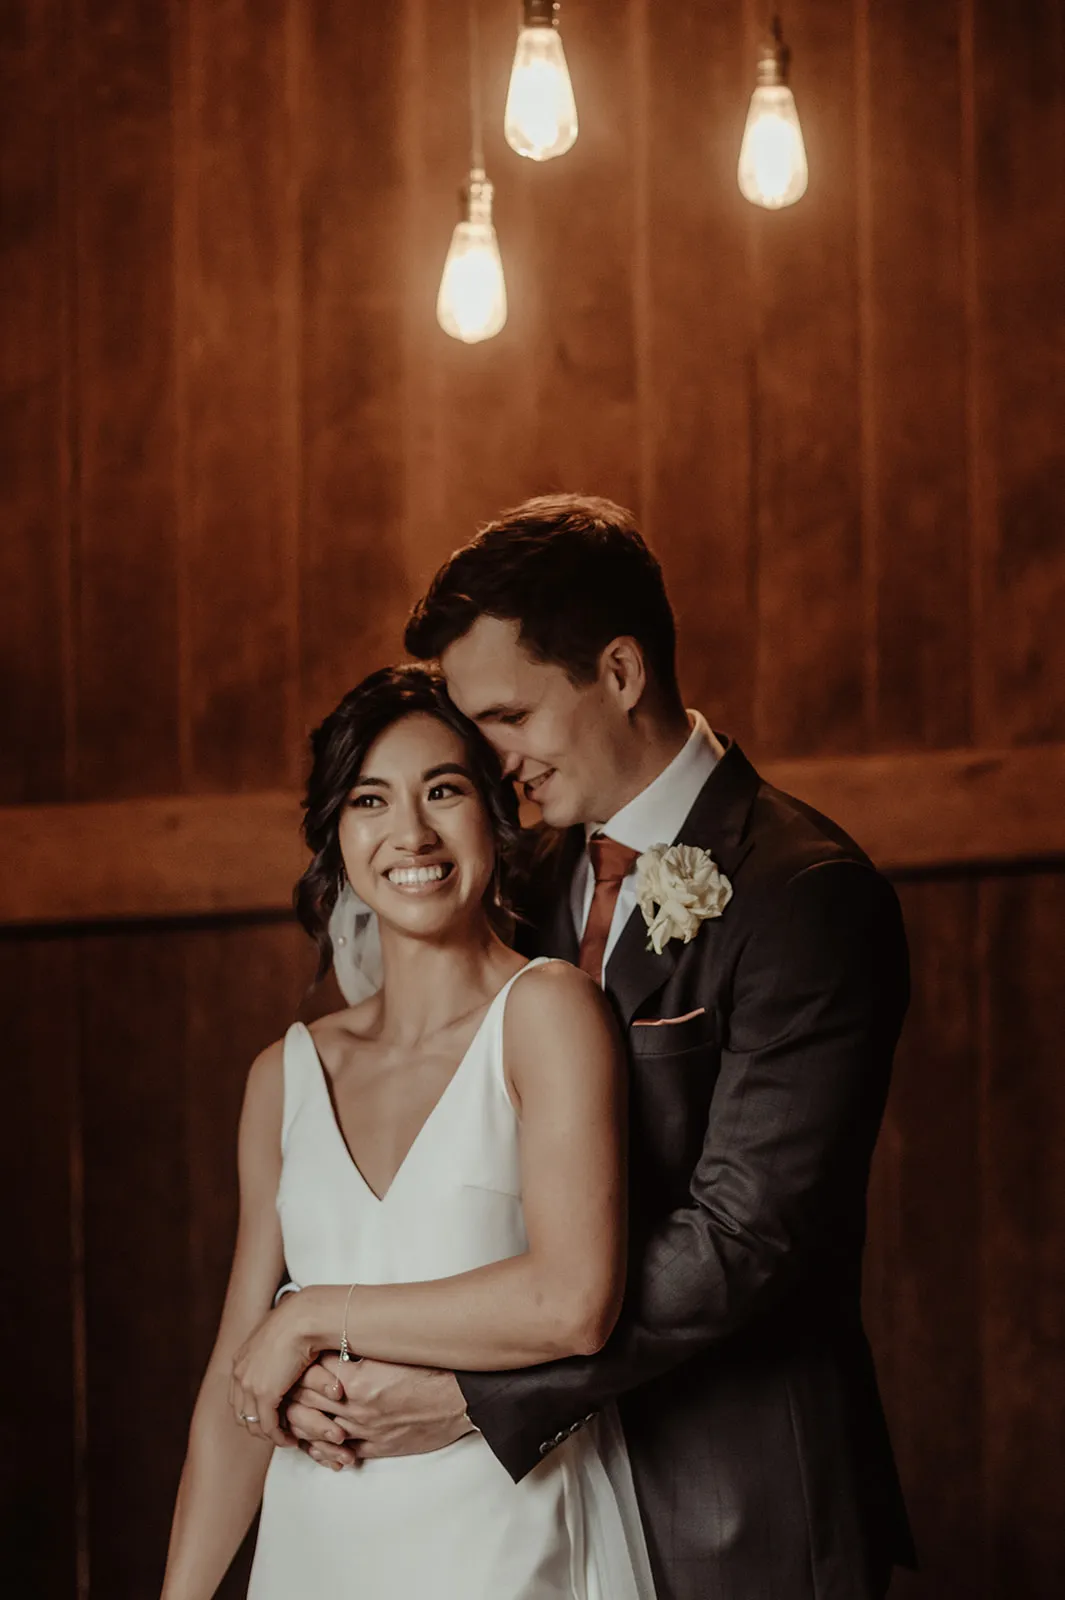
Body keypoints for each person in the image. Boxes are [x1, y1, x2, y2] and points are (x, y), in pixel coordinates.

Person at [289, 494, 917, 1600]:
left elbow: (742, 1237)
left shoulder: (806, 894)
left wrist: (479, 1390)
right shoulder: (523, 885)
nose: (493, 763)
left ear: (620, 673)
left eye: (509, 717)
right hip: (530, 1516)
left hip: (729, 1502)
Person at [160, 665, 656, 1600]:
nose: (411, 834)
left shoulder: (549, 1014)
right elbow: (238, 1389)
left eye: (444, 790)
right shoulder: (285, 1075)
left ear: (495, 817)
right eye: (370, 800)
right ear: (334, 837)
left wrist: (308, 1314)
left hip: (504, 1545)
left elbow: (572, 1300)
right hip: (316, 1552)